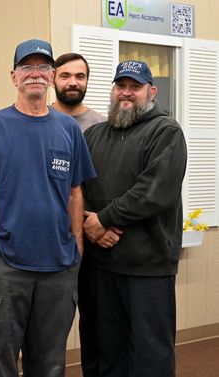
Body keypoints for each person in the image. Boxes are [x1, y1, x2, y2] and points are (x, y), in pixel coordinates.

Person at [0, 39, 96, 377]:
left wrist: (77, 246)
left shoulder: (68, 129)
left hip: (60, 266)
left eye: (42, 67)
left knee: (50, 362)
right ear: (14, 76)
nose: (35, 74)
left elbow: (75, 192)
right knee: (0, 360)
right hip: (8, 265)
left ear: (51, 75)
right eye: (27, 67)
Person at [80, 60, 187, 377]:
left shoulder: (166, 132)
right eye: (121, 85)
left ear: (151, 91)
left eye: (135, 86)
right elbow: (79, 188)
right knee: (105, 353)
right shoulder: (95, 135)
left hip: (147, 268)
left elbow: (153, 191)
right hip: (100, 265)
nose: (126, 93)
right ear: (113, 90)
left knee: (150, 356)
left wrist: (104, 219)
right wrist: (90, 224)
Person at [52, 52, 106, 131]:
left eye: (80, 77)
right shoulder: (39, 121)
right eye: (65, 76)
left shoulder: (103, 126)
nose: (73, 83)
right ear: (52, 81)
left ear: (87, 81)